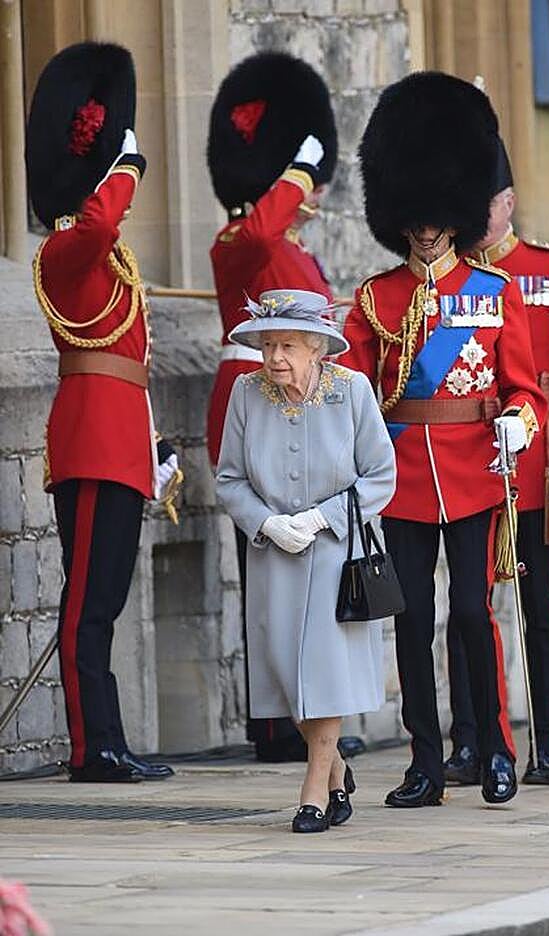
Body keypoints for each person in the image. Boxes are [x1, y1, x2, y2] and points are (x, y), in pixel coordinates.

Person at [340, 72, 547, 807]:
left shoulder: (494, 294)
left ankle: (493, 747)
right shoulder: (376, 299)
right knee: (412, 621)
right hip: (402, 478)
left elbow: (523, 388)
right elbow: (351, 385)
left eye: (436, 217)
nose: (426, 229)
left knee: (470, 614)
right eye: (416, 218)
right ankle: (425, 762)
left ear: (456, 216)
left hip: (472, 474)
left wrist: (519, 422)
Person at [25, 43, 178, 782]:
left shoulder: (107, 260)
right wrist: (127, 167)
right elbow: (96, 227)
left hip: (120, 440)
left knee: (105, 601)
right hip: (89, 442)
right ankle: (93, 748)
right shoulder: (64, 250)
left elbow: (130, 365)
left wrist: (153, 444)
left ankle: (109, 740)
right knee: (87, 603)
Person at [444, 139, 549, 787]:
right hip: (469, 459)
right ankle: (472, 740)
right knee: (466, 606)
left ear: (507, 202)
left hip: (537, 462)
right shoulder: (451, 277)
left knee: (540, 605)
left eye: (483, 202)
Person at [216, 290, 396, 832]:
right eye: (268, 345)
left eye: (288, 346)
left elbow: (381, 476)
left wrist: (322, 519)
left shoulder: (352, 390)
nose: (275, 357)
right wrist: (267, 523)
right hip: (274, 556)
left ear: (317, 347)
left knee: (324, 670)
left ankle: (314, 791)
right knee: (286, 674)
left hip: (338, 553)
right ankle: (337, 769)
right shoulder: (246, 393)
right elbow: (229, 478)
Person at [207, 52, 338, 762]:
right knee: (267, 566)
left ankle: (303, 711)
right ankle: (275, 722)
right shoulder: (242, 242)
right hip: (256, 409)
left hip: (304, 411)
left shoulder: (291, 249)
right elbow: (260, 231)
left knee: (306, 569)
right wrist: (301, 171)